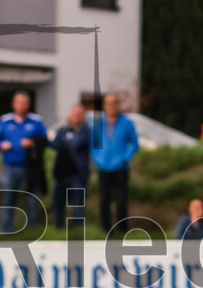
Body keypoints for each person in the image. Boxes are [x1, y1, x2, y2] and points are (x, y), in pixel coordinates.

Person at [0, 92, 46, 234]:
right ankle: (6, 232)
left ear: (28, 104)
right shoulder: (5, 120)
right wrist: (1, 144)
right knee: (8, 200)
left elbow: (45, 140)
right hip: (10, 167)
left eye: (25, 102)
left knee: (32, 201)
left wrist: (33, 142)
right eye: (19, 102)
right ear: (13, 104)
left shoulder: (36, 121)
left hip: (30, 168)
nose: (22, 105)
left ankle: (32, 233)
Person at [90, 94, 139, 235]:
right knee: (104, 200)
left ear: (118, 105)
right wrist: (98, 159)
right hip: (103, 168)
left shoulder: (127, 123)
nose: (110, 107)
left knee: (121, 200)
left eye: (113, 104)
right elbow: (94, 145)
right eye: (107, 104)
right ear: (105, 106)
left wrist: (125, 157)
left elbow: (134, 144)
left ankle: (122, 230)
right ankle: (107, 230)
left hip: (121, 168)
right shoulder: (98, 124)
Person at [50, 104, 91, 229]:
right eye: (74, 114)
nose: (75, 117)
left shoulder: (86, 131)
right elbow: (54, 144)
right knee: (58, 202)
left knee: (78, 203)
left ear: (83, 117)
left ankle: (78, 230)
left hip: (78, 173)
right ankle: (59, 228)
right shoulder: (63, 130)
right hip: (62, 172)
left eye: (78, 115)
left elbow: (76, 143)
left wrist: (64, 141)